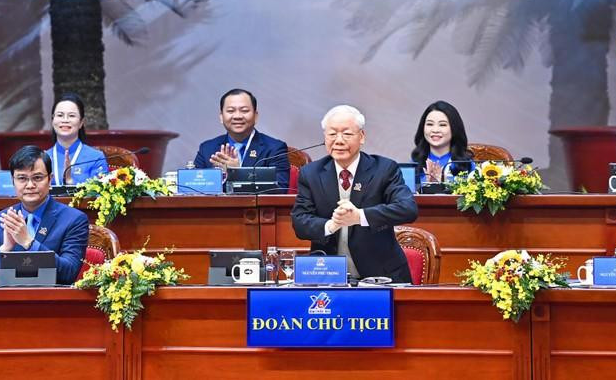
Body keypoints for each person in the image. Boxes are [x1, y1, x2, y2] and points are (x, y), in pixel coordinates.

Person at [291, 105, 418, 282]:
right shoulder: (311, 173)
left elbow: (407, 208)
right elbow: (299, 221)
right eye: (332, 134)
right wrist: (330, 225)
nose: (339, 140)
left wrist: (360, 216)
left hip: (381, 276)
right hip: (328, 276)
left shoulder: (384, 169)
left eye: (347, 134)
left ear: (362, 137)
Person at [0, 145, 89, 284]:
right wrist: (4, 250)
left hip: (52, 302)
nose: (30, 185)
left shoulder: (74, 219)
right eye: (22, 178)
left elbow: (68, 273)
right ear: (13, 181)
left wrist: (28, 242)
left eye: (37, 178)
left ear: (50, 180)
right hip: (8, 301)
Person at [194, 88, 290, 191]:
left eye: (244, 110)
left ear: (255, 116)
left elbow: (279, 189)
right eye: (230, 111)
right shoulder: (207, 148)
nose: (237, 116)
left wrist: (238, 173)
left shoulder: (275, 148)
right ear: (221, 117)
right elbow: (192, 187)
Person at [46, 93, 108, 186]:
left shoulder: (96, 158)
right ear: (53, 120)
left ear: (81, 123)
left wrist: (71, 182)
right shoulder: (42, 159)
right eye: (60, 115)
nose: (65, 120)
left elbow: (101, 195)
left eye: (71, 116)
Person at [412, 100, 475, 184]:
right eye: (430, 124)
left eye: (442, 125)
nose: (435, 130)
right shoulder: (413, 166)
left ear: (454, 128)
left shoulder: (467, 165)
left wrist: (443, 184)